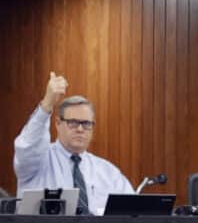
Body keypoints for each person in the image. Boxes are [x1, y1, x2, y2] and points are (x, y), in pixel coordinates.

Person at [13, 71, 133, 215]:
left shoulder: (108, 172)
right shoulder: (37, 162)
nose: (80, 129)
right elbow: (28, 145)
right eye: (73, 123)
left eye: (86, 123)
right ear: (58, 123)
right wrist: (47, 104)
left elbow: (133, 212)